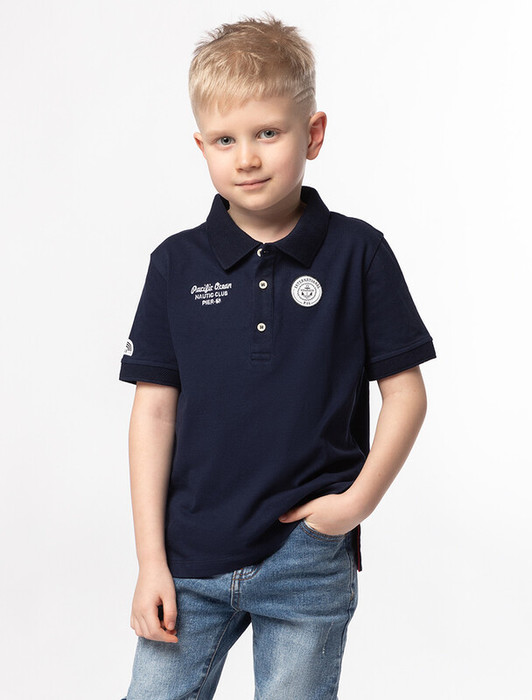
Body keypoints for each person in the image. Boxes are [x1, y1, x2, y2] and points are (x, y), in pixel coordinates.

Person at [118, 14, 436, 700]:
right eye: (225, 140)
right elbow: (153, 414)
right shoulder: (175, 264)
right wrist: (150, 561)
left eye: (268, 133)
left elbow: (406, 394)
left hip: (307, 560)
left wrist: (353, 506)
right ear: (201, 146)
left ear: (312, 134)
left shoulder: (359, 253)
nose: (247, 158)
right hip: (189, 557)